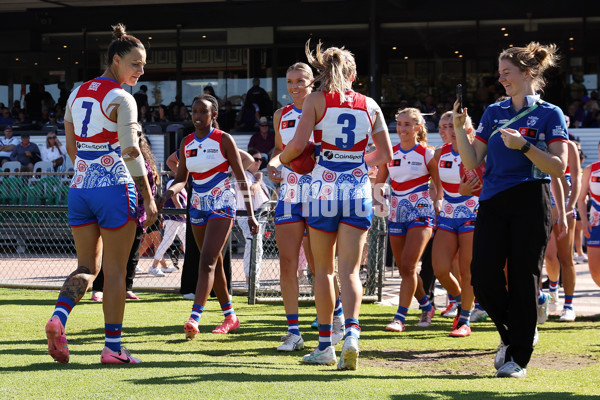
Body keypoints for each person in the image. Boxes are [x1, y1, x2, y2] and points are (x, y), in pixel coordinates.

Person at [453, 42, 568, 378]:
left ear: (527, 73)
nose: (501, 78)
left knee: (523, 278)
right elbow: (472, 160)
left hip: (532, 198)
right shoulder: (493, 112)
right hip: (493, 201)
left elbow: (558, 167)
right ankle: (517, 329)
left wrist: (526, 145)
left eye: (507, 72)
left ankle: (517, 357)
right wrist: (460, 128)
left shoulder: (550, 113)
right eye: (500, 72)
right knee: (483, 277)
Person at [44, 23, 158, 365]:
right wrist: (148, 197)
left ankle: (58, 319)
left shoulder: (77, 93)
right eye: (135, 63)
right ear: (115, 60)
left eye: (143, 65)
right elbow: (130, 151)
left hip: (80, 190)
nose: (140, 71)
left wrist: (91, 167)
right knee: (115, 271)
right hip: (115, 189)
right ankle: (112, 348)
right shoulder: (122, 97)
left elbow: (71, 147)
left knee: (85, 267)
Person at [279, 40, 393, 370]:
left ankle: (325, 345)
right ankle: (353, 337)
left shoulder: (315, 100)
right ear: (353, 74)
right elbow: (385, 155)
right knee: (351, 271)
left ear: (323, 73)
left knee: (324, 271)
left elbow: (299, 146)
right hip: (357, 191)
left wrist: (283, 161)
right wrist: (359, 160)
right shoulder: (370, 104)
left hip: (322, 192)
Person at [156, 94, 258, 338]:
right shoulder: (187, 142)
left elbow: (241, 177)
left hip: (222, 204)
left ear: (214, 115)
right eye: (194, 111)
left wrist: (251, 214)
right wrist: (166, 195)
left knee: (208, 259)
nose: (197, 116)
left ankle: (194, 317)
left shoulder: (224, 139)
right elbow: (182, 179)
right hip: (197, 206)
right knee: (215, 262)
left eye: (203, 111)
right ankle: (230, 316)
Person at [267, 62, 322, 352]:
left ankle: (333, 321)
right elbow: (279, 150)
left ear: (313, 82)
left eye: (300, 80)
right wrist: (273, 164)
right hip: (289, 194)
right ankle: (293, 332)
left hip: (319, 194)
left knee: (319, 264)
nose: (294, 86)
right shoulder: (281, 115)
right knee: (287, 264)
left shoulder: (324, 112)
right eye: (290, 81)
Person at [376, 107, 442, 333]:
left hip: (421, 212)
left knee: (410, 264)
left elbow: (439, 184)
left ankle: (399, 317)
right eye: (399, 124)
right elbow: (380, 183)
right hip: (396, 213)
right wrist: (378, 201)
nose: (402, 129)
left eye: (407, 124)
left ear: (418, 127)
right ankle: (426, 305)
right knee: (405, 269)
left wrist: (438, 202)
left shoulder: (427, 153)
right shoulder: (390, 153)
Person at [90, 131, 160, 301]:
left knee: (133, 253)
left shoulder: (146, 163)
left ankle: (128, 288)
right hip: (117, 209)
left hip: (138, 213)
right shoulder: (115, 157)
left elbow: (151, 186)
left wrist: (149, 207)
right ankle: (98, 289)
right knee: (109, 251)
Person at [432, 111, 480, 337]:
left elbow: (489, 178)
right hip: (448, 214)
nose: (445, 131)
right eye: (442, 126)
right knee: (440, 268)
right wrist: (437, 199)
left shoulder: (478, 150)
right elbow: (435, 184)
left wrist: (471, 190)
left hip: (473, 210)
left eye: (451, 126)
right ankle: (461, 301)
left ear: (466, 128)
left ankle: (466, 320)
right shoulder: (439, 152)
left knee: (467, 270)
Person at [540, 127, 581, 322]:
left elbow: (576, 178)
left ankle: (569, 305)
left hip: (564, 206)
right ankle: (552, 289)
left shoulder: (570, 146)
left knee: (566, 257)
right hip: (543, 203)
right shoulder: (541, 145)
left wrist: (570, 206)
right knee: (548, 256)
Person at [236, 147, 270, 288]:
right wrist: (258, 181)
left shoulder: (255, 176)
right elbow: (251, 191)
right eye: (255, 159)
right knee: (252, 246)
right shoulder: (243, 174)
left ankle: (254, 280)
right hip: (247, 215)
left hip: (260, 216)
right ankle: (249, 281)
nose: (258, 162)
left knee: (258, 248)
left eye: (261, 160)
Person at [148, 175, 187, 275]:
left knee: (186, 239)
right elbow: (176, 201)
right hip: (173, 217)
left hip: (179, 218)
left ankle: (192, 264)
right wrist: (184, 216)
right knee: (167, 241)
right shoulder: (173, 182)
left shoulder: (180, 183)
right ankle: (154, 266)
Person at [578, 141, 600, 289]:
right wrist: (584, 220)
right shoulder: (590, 169)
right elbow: (581, 198)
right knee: (595, 271)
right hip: (595, 224)